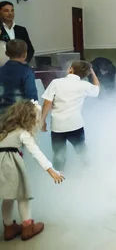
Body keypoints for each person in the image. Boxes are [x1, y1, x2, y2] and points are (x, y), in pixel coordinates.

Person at [0, 100, 65, 241]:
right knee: (23, 196)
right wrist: (51, 170)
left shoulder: (3, 130)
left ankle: (8, 228)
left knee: (7, 196)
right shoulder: (22, 132)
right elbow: (36, 153)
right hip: (11, 166)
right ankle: (27, 227)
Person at [40, 61, 100, 171]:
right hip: (75, 125)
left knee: (58, 155)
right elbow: (97, 89)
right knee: (82, 151)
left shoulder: (56, 83)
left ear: (71, 69)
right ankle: (91, 172)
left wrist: (42, 121)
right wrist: (92, 72)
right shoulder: (84, 85)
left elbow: (47, 103)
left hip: (58, 127)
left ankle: (59, 178)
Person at [0, 40, 37, 116]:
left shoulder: (1, 70)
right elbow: (31, 96)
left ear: (6, 53)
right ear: (25, 54)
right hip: (20, 116)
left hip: (2, 114)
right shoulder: (27, 72)